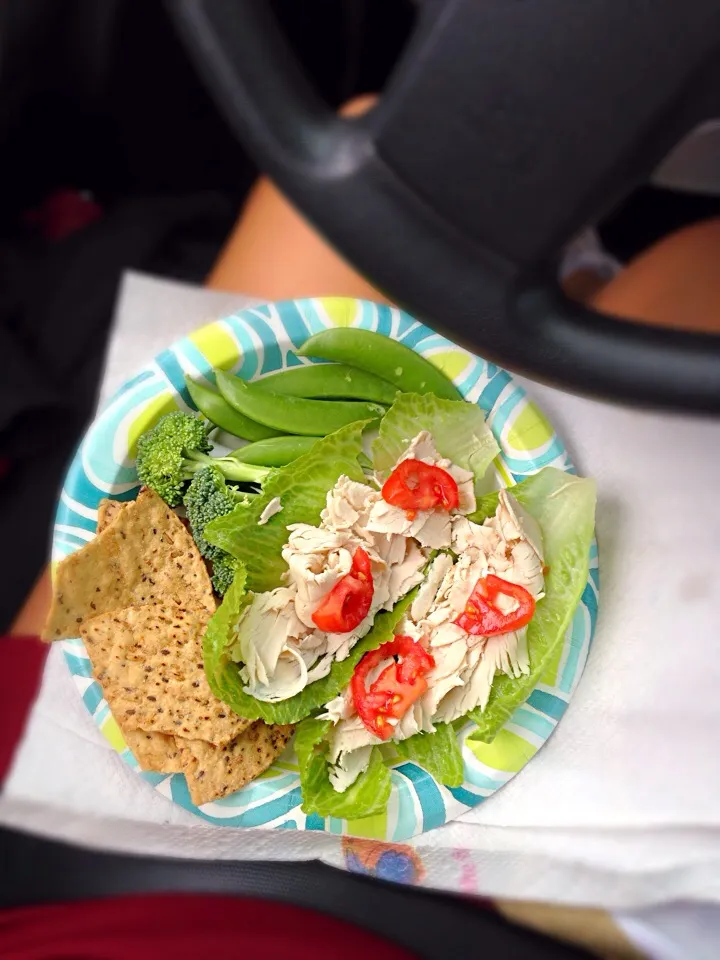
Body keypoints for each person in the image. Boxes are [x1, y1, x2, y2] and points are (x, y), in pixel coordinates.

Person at [4, 93, 718, 959]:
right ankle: (568, 299)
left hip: (31, 768)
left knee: (388, 150)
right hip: (455, 902)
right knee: (693, 269)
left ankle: (552, 298)